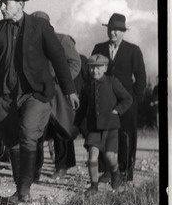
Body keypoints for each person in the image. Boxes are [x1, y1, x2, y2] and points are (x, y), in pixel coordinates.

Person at [0, 0, 79, 205]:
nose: (2, 7)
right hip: (6, 95)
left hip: (35, 93)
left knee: (27, 132)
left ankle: (24, 190)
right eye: (1, 3)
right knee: (11, 139)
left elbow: (59, 59)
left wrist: (69, 89)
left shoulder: (39, 27)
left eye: (6, 3)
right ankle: (18, 189)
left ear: (21, 4)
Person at [91, 13, 146, 183]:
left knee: (125, 136)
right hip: (104, 102)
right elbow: (91, 73)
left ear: (123, 32)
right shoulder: (99, 48)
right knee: (104, 136)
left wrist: (134, 101)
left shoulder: (133, 50)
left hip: (127, 102)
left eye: (117, 30)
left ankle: (125, 172)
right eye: (110, 29)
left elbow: (141, 77)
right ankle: (107, 172)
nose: (113, 33)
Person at [31, 11, 82, 181]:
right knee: (37, 131)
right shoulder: (30, 44)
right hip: (39, 94)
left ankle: (62, 166)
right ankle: (35, 168)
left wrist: (62, 81)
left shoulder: (62, 40)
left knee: (62, 129)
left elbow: (75, 63)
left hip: (59, 95)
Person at [73, 54, 133, 194]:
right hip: (93, 128)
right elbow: (82, 108)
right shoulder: (87, 86)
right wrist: (75, 125)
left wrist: (117, 110)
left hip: (111, 127)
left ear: (105, 68)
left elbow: (127, 99)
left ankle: (116, 172)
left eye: (98, 68)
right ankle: (94, 186)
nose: (95, 71)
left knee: (109, 157)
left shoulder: (112, 82)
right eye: (92, 68)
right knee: (92, 155)